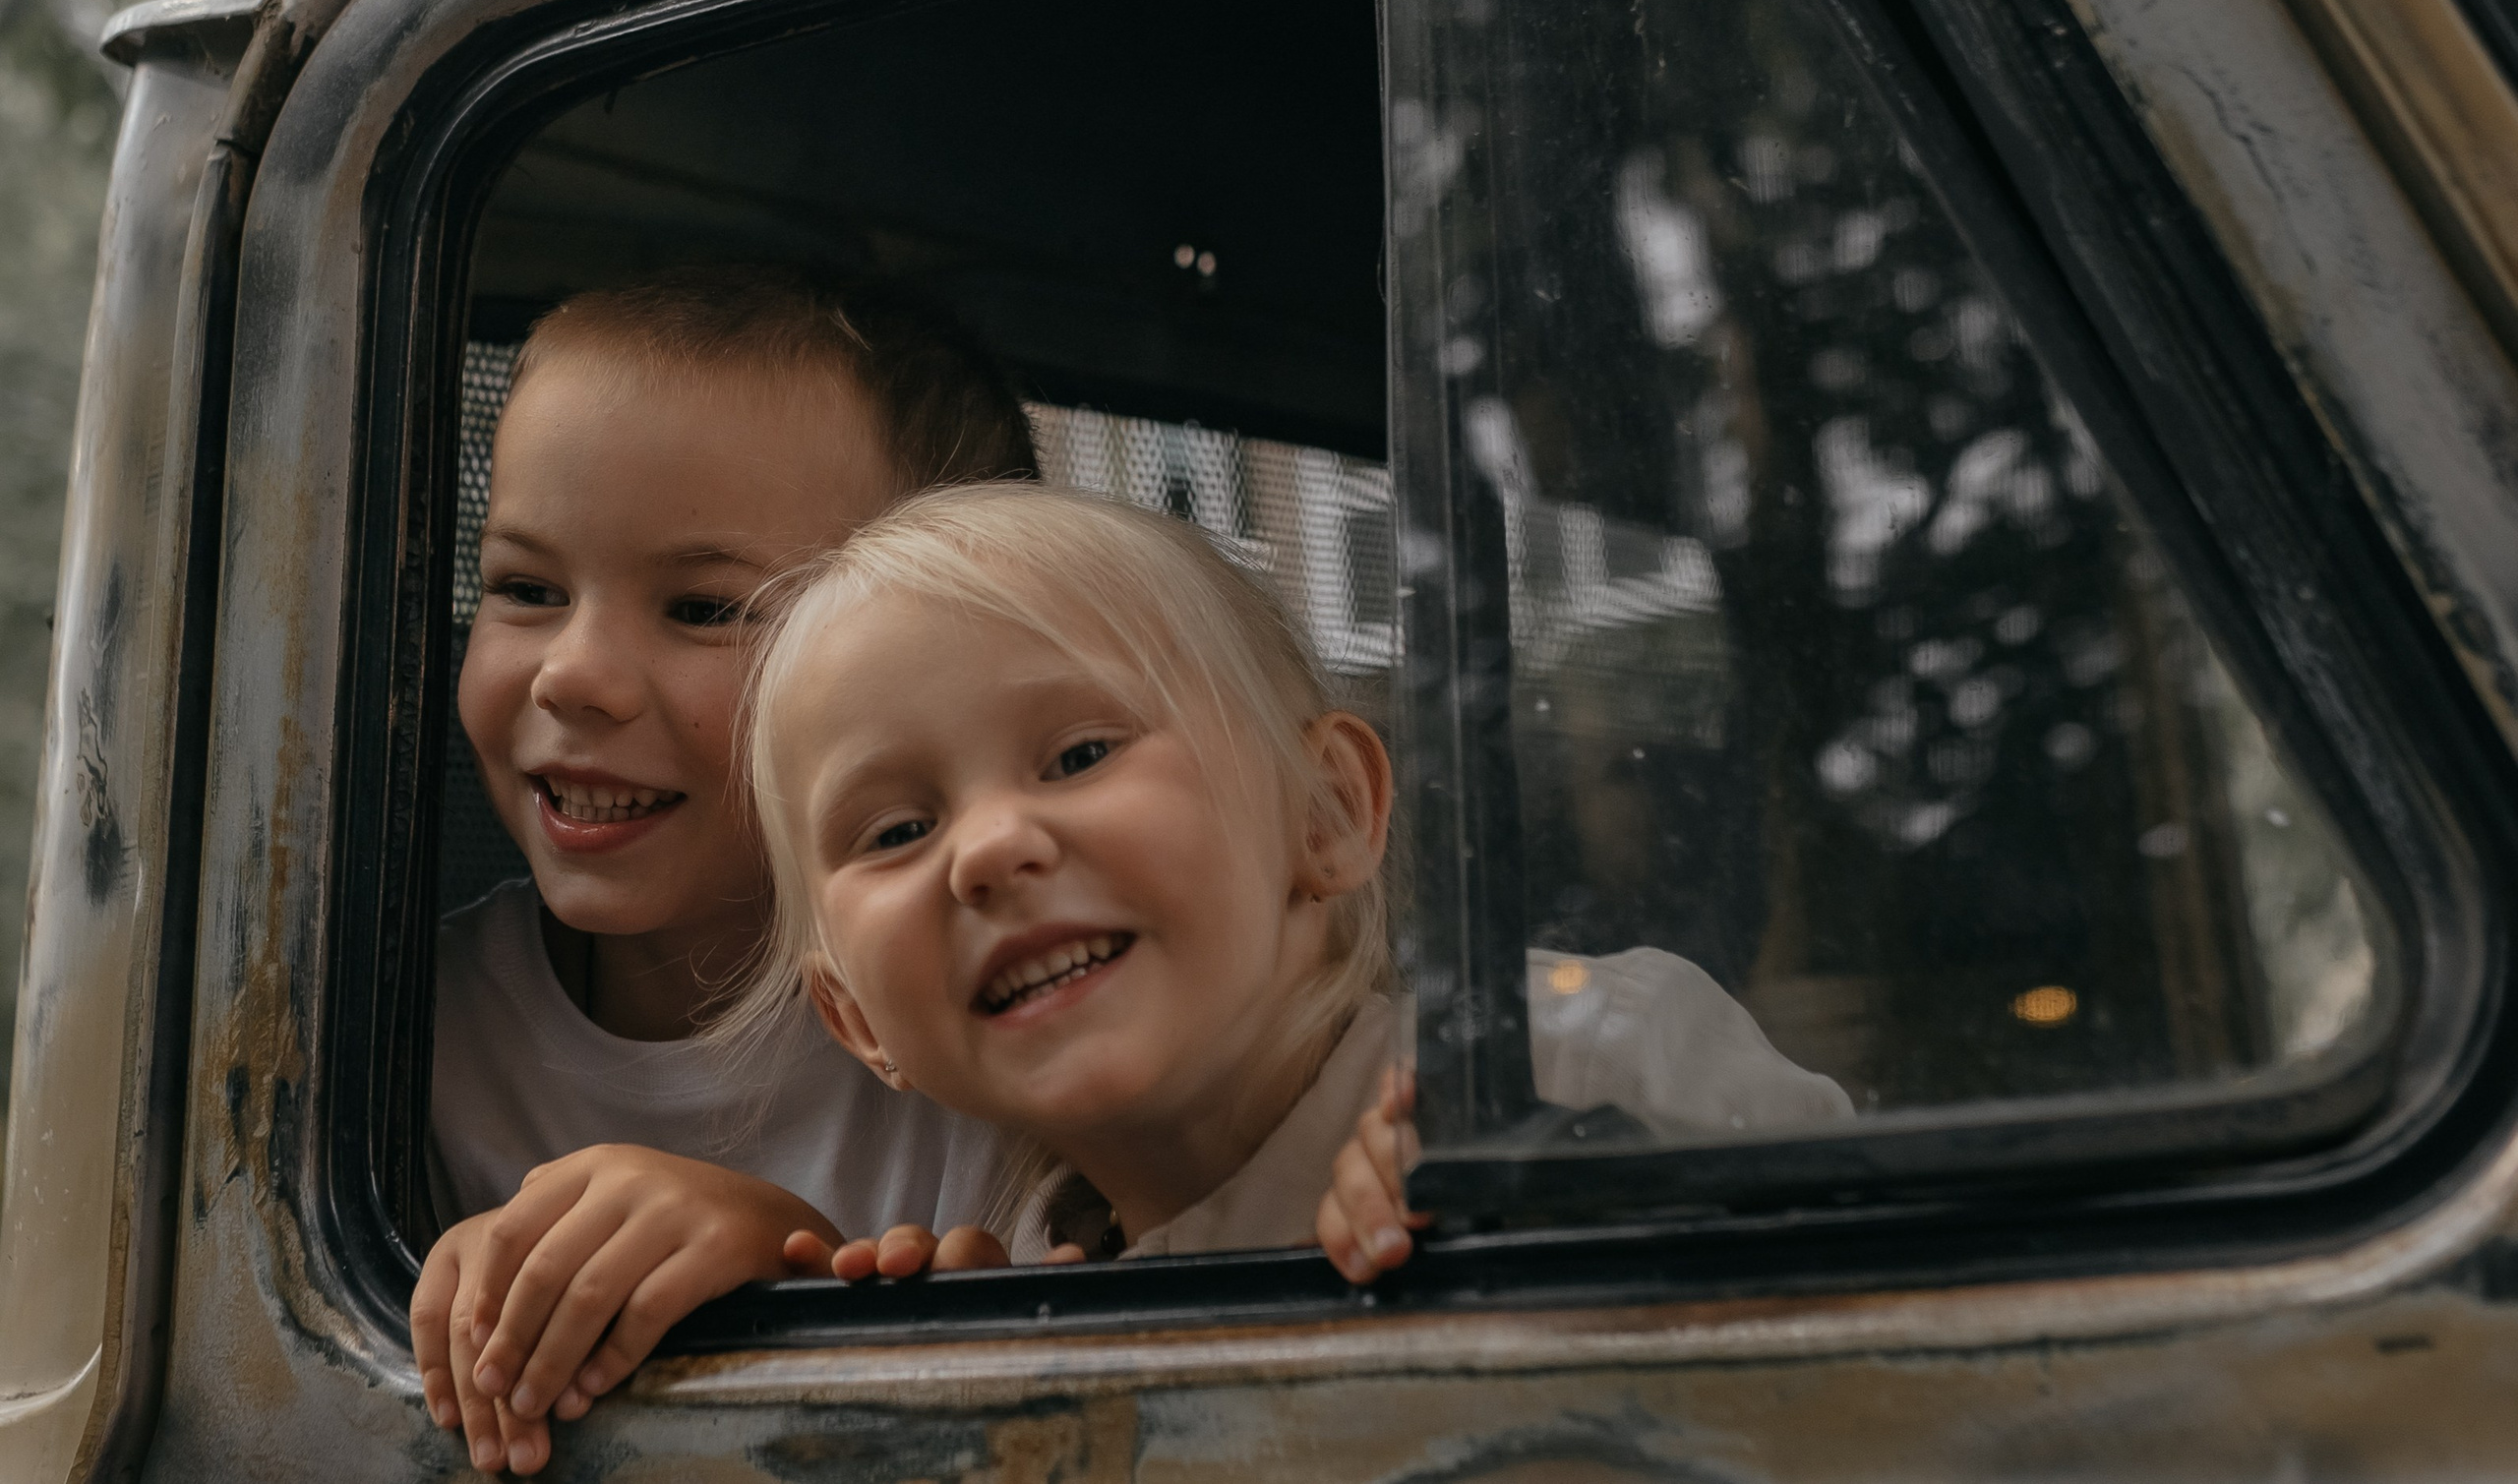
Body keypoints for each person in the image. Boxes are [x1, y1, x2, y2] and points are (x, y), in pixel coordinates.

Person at [721, 484, 1849, 1284]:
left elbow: (1903, 1304)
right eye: (899, 828)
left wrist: (1599, 1204)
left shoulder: (1560, 1055)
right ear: (856, 1018)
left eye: (1079, 756)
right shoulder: (1022, 1268)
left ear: (1325, 815)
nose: (984, 851)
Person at [411, 267, 1035, 1476]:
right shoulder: (399, 1033)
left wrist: (785, 1262)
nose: (572, 675)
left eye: (703, 609)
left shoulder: (1000, 1030)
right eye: (526, 590)